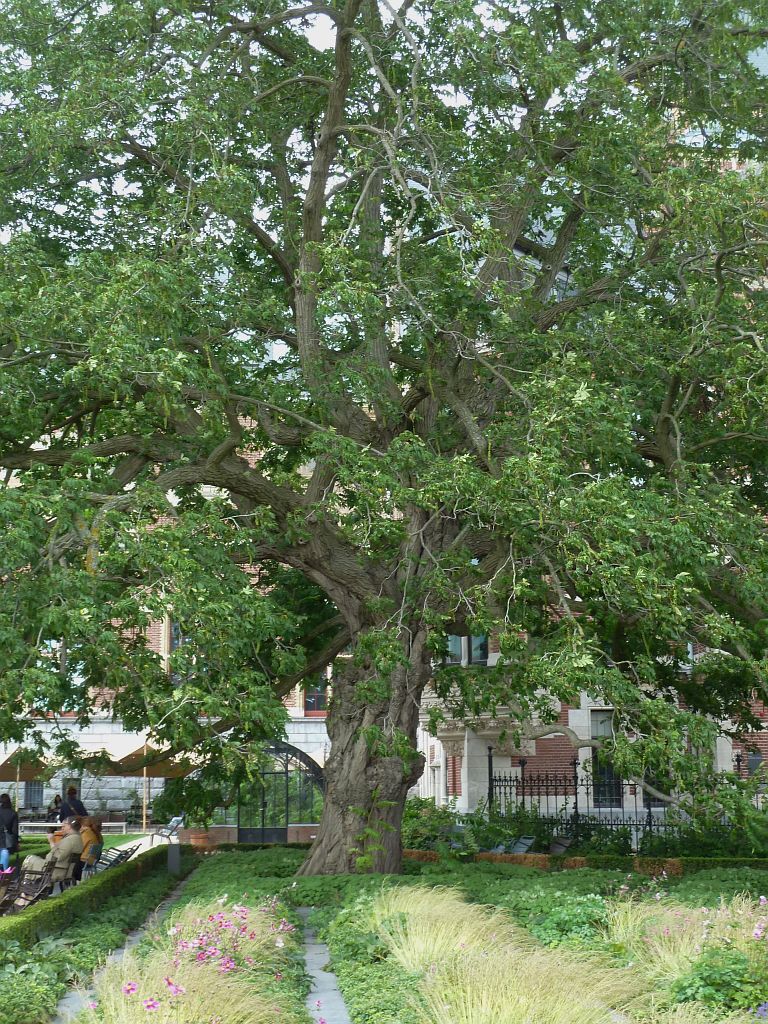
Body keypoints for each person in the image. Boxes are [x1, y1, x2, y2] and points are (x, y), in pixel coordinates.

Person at [22, 817, 83, 883]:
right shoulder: (77, 838)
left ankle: (26, 884)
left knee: (29, 859)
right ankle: (27, 884)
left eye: (64, 826)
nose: (62, 828)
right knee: (33, 858)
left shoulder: (69, 840)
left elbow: (58, 857)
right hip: (64, 868)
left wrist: (51, 841)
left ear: (69, 826)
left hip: (55, 870)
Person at [74, 816, 103, 881]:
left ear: (83, 825)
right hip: (92, 860)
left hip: (84, 862)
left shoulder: (86, 833)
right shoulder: (98, 834)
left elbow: (79, 848)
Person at [0, 793, 19, 873]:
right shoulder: (13, 813)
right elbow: (14, 831)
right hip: (6, 843)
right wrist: (16, 843)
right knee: (3, 871)